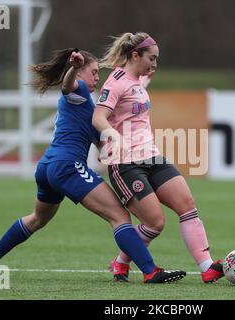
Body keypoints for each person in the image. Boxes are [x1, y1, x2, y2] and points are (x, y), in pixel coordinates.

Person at [0, 48, 186, 284]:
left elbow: (100, 142)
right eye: (94, 72)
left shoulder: (92, 106)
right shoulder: (81, 93)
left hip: (48, 166)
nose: (98, 78)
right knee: (119, 216)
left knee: (37, 219)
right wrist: (74, 69)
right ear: (80, 74)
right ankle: (150, 271)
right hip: (68, 166)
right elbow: (67, 86)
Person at [92, 32, 224, 283]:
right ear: (135, 55)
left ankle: (207, 267)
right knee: (155, 223)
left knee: (187, 206)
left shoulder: (135, 81)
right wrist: (111, 134)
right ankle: (121, 262)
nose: (155, 64)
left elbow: (132, 102)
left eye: (157, 59)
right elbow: (98, 116)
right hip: (125, 163)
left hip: (152, 156)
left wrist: (144, 85)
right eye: (152, 58)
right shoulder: (115, 81)